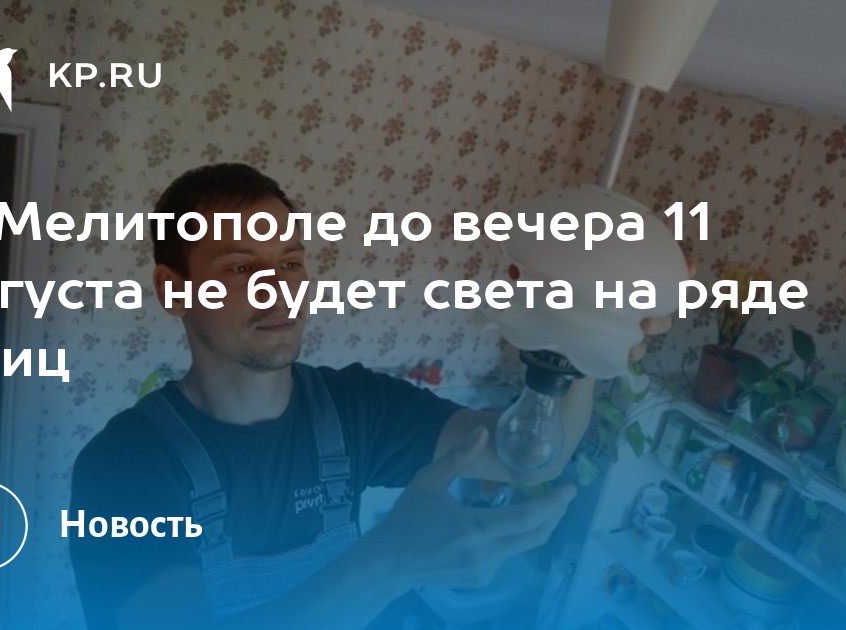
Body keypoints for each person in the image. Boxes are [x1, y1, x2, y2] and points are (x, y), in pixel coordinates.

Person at [69, 163, 681, 629]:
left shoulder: (356, 406)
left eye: (290, 263)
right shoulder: (123, 466)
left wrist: (579, 345)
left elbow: (526, 459)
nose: (279, 289)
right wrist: (389, 561)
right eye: (239, 267)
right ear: (173, 290)